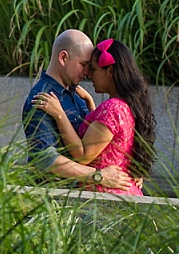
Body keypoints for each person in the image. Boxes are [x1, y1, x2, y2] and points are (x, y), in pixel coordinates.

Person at [32, 38, 156, 195]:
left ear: (110, 72)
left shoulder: (113, 107)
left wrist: (59, 114)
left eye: (93, 69)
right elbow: (107, 139)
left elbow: (83, 156)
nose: (89, 75)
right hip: (123, 191)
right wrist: (91, 104)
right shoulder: (126, 105)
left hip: (106, 196)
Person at [23, 30, 132, 190]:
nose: (87, 72)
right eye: (83, 65)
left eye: (90, 67)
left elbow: (95, 142)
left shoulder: (78, 96)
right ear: (63, 58)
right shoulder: (43, 98)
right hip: (54, 200)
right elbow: (45, 158)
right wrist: (98, 176)